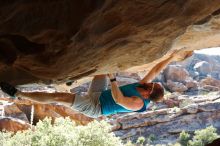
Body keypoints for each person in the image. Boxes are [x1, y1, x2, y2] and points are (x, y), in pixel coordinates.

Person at [0, 50, 192, 118]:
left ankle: (17, 94)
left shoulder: (139, 104)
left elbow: (117, 99)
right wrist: (172, 57)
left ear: (149, 95)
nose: (148, 83)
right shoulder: (144, 86)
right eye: (151, 84)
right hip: (100, 95)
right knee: (100, 66)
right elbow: (155, 70)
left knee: (60, 97)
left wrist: (113, 78)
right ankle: (72, 76)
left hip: (96, 107)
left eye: (150, 86)